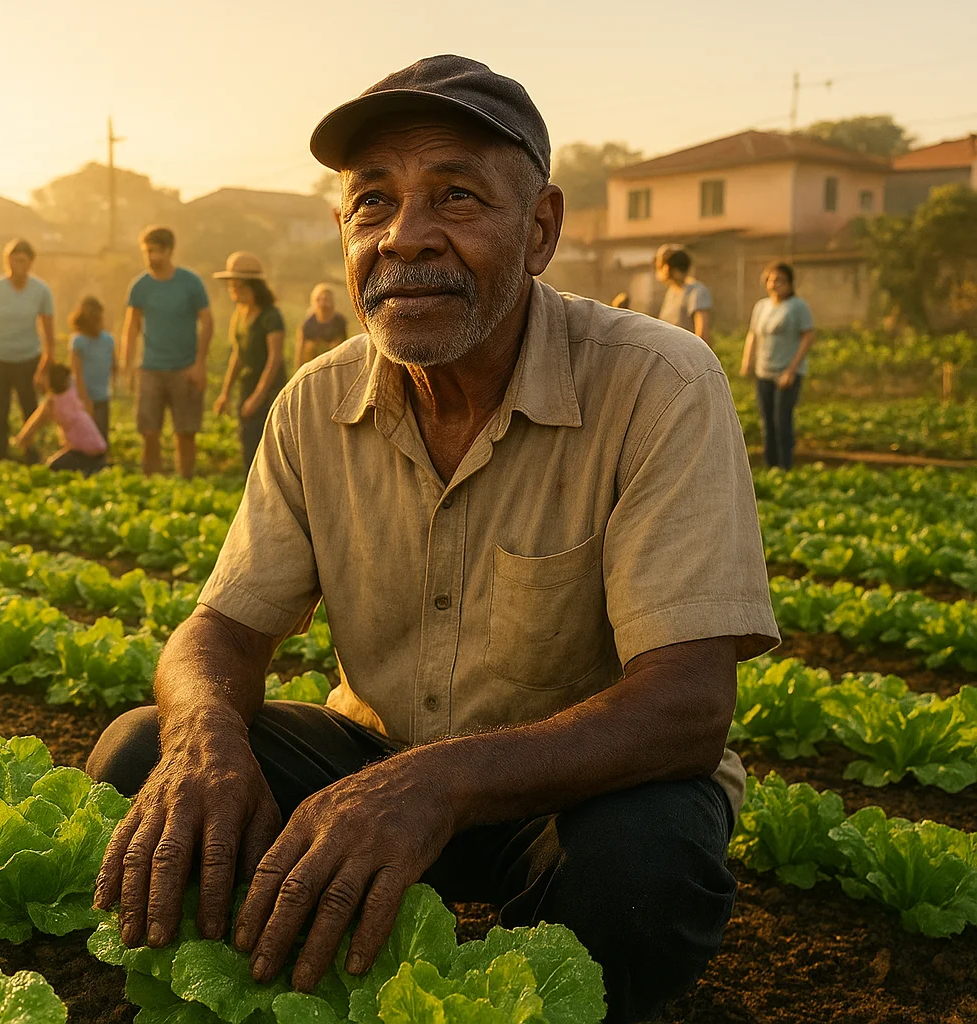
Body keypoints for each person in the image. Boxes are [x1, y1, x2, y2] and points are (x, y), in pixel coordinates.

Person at [87, 55, 778, 1024]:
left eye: (456, 196)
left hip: (571, 793)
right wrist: (207, 740)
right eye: (373, 202)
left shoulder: (657, 383)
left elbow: (687, 706)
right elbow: (223, 631)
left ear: (540, 229)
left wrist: (438, 782)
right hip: (372, 768)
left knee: (641, 873)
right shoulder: (316, 402)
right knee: (143, 756)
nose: (405, 236)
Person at [122, 226, 213, 477]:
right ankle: (152, 482)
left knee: (185, 431)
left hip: (185, 367)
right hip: (151, 368)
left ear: (169, 251)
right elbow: (131, 327)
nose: (150, 257)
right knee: (149, 431)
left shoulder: (190, 282)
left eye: (155, 251)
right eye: (147, 251)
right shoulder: (140, 286)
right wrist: (127, 366)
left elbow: (207, 322)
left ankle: (185, 481)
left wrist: (199, 364)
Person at [0, 238, 56, 463]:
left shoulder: (41, 290)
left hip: (28, 358)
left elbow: (48, 333)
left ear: (30, 262)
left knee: (29, 408)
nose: (17, 265)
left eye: (22, 260)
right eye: (13, 260)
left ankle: (31, 454)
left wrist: (46, 365)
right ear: (6, 262)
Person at [212, 252, 287, 472]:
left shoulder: (271, 316)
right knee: (249, 445)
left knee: (270, 447)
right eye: (231, 285)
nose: (232, 290)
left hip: (269, 390)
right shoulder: (239, 314)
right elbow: (238, 354)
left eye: (237, 285)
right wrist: (225, 393)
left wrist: (258, 396)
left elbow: (274, 359)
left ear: (253, 287)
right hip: (248, 386)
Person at [739, 261, 815, 470]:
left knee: (782, 420)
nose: (775, 284)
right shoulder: (761, 306)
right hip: (764, 370)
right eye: (771, 280)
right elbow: (753, 334)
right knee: (767, 421)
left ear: (790, 283)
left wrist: (792, 370)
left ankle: (785, 466)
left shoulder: (798, 306)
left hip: (786, 372)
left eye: (780, 280)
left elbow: (808, 336)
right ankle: (770, 465)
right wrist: (747, 361)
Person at [12, 363, 109, 476]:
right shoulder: (72, 392)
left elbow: (35, 423)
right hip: (99, 451)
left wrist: (21, 440)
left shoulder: (52, 402)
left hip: (83, 452)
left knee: (51, 467)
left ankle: (88, 470)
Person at [68, 295, 115, 442]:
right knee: (82, 438)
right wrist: (84, 400)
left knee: (101, 438)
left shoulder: (108, 340)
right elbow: (77, 373)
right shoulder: (78, 341)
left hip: (102, 397)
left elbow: (113, 366)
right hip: (82, 398)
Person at [655, 245, 713, 344]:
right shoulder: (672, 291)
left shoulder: (697, 292)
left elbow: (702, 335)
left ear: (668, 268)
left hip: (686, 350)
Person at [296, 282, 349, 367]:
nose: (322, 304)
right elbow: (300, 352)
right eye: (319, 300)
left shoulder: (339, 322)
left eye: (326, 300)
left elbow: (343, 348)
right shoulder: (307, 324)